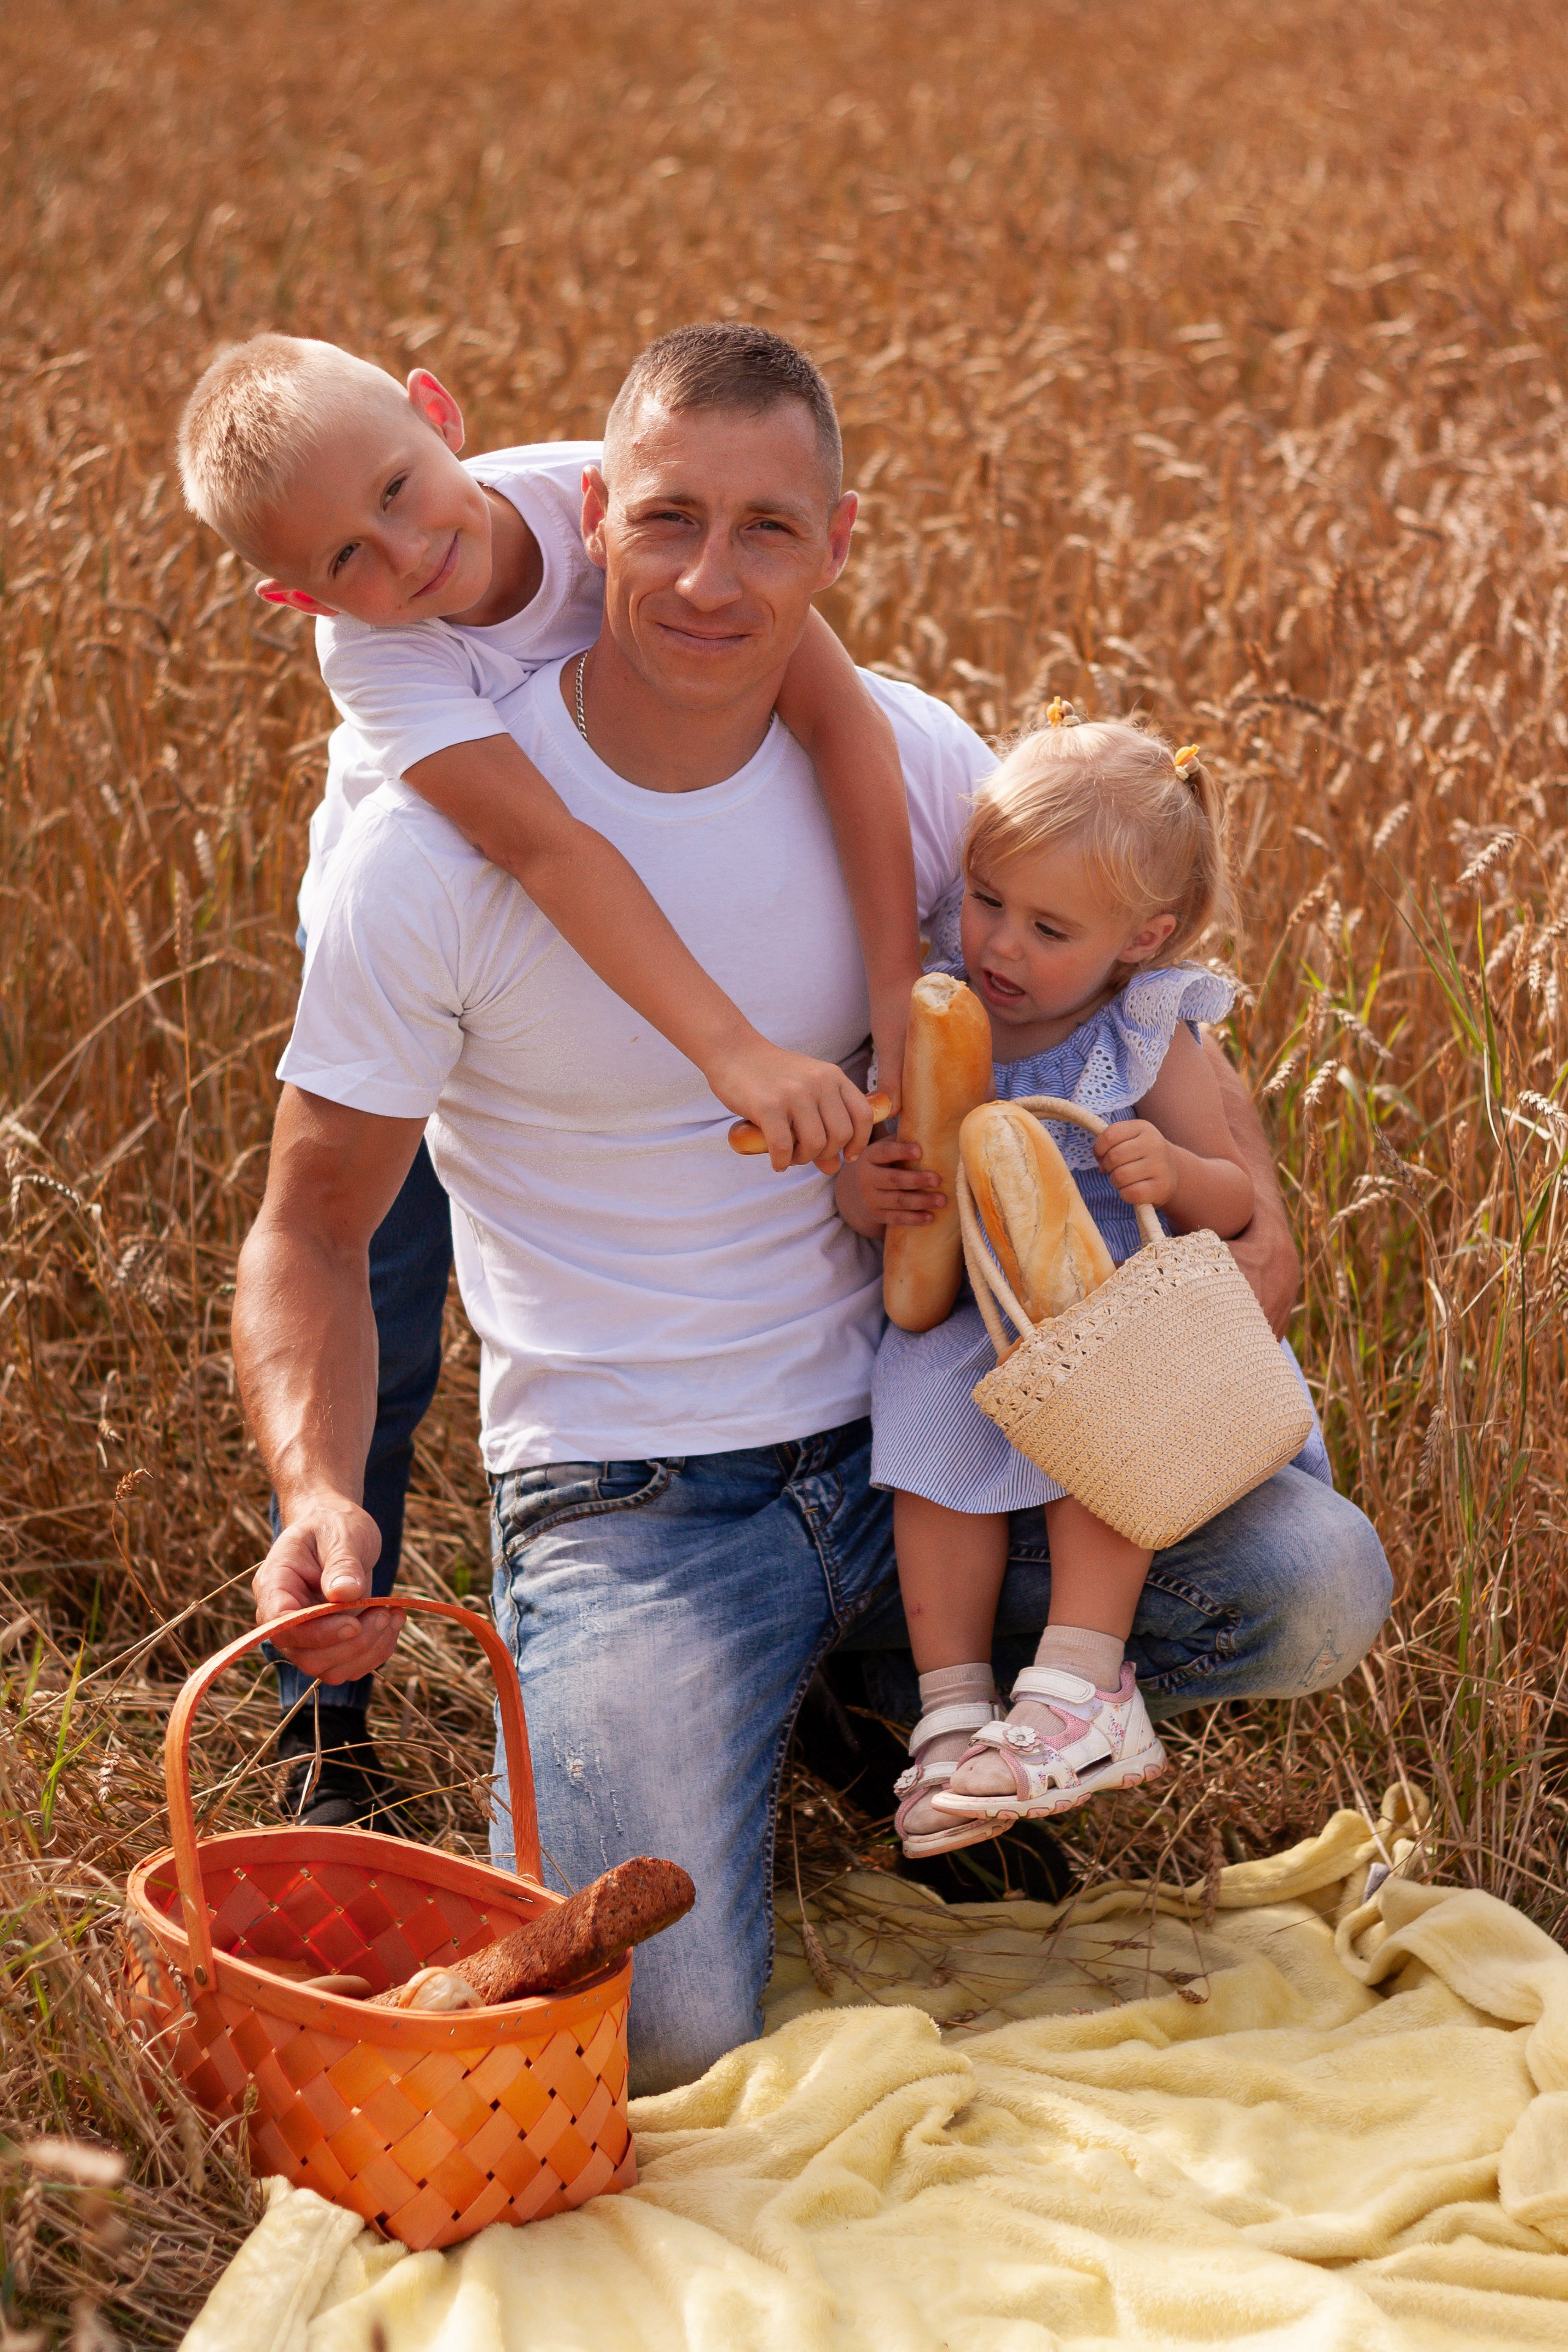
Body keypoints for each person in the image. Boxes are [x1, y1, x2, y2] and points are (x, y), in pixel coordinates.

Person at [235, 321, 1393, 2095]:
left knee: (1311, 1579)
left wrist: (1234, 1207)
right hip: (645, 1497)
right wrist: (320, 1490)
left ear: (839, 548)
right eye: (670, 520)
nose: (712, 576)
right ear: (595, 518)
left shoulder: (919, 762)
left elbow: (1119, 966)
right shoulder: (423, 848)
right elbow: (312, 1230)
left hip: (923, 1433)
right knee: (660, 2044)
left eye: (770, 528)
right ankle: (805, 1702)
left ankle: (878, 1694)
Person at [178, 331, 922, 1822]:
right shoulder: (380, 654)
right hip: (421, 994)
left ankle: (826, 1694)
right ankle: (326, 1716)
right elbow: (545, 849)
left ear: (438, 413)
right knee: (374, 1354)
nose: (408, 551)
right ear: (299, 599)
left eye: (401, 486)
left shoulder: (609, 501)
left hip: (561, 935)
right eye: (349, 555)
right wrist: (736, 1054)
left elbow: (835, 716)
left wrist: (896, 1010)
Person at [839, 708, 1334, 1857]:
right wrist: (871, 1198)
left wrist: (1172, 1167)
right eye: (988, 900)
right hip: (976, 1319)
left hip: (1114, 1309)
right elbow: (871, 1163)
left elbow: (1231, 1205)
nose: (1002, 945)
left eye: (1048, 927)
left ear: (1139, 938)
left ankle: (1080, 1688)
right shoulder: (936, 1009)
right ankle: (953, 1711)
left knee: (1101, 1440)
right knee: (930, 1464)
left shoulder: (1145, 1032)